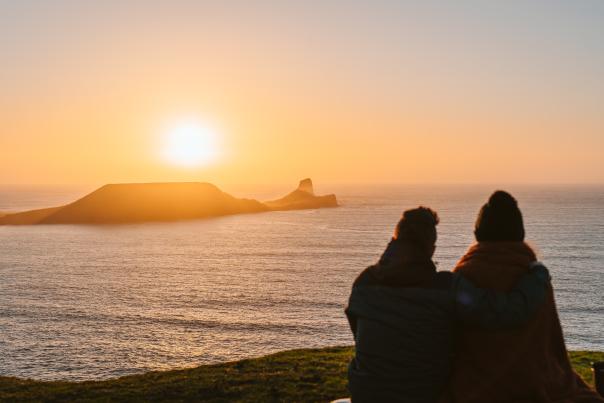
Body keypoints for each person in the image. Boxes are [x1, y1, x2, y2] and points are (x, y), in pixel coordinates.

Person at [346, 207, 551, 403]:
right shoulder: (448, 289)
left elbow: (359, 333)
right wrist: (538, 274)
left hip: (366, 396)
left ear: (394, 239)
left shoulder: (363, 283)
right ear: (431, 249)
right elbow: (508, 312)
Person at [446, 191, 603, 403]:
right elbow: (551, 343)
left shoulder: (465, 277)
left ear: (478, 232)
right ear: (519, 232)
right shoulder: (535, 278)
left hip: (475, 389)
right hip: (535, 383)